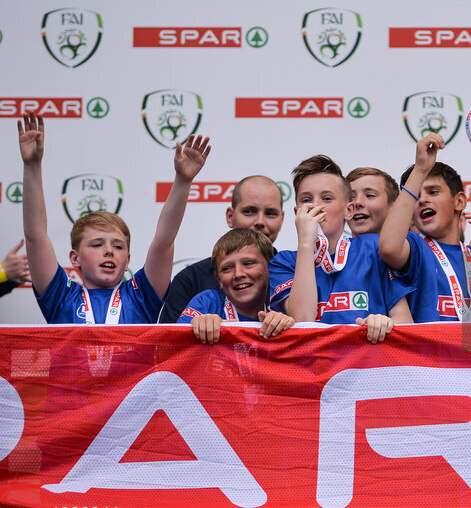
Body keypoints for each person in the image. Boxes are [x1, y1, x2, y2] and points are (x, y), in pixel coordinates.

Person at [18, 111, 209, 323]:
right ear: (75, 258)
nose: (109, 251)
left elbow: (164, 241)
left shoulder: (141, 296)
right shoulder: (61, 296)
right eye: (97, 245)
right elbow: (35, 236)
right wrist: (32, 166)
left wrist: (183, 180)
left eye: (118, 247)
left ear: (127, 260)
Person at [269, 155, 412, 342]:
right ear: (297, 213)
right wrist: (305, 243)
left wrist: (386, 324)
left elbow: (406, 322)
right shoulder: (284, 262)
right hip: (314, 368)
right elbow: (303, 320)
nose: (316, 206)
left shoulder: (372, 248)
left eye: (327, 198)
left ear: (349, 211)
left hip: (365, 367)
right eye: (306, 200)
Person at [379, 136, 471, 322]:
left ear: (459, 202)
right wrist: (420, 170)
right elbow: (389, 248)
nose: (422, 200)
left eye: (433, 192)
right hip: (432, 352)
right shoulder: (416, 248)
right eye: (416, 196)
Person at [159, 175, 285, 322]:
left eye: (270, 213)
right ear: (230, 216)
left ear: (281, 219)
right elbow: (171, 340)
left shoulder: (295, 275)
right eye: (249, 211)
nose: (260, 222)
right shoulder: (191, 279)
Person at [178, 228, 294, 344]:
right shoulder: (208, 303)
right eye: (227, 268)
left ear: (270, 270)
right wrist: (198, 326)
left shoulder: (281, 311)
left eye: (248, 264)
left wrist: (287, 328)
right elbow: (175, 344)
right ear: (219, 279)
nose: (238, 274)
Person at [345, 167, 398, 236]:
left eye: (370, 195)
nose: (357, 202)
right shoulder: (331, 246)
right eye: (350, 197)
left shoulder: (409, 243)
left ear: (393, 206)